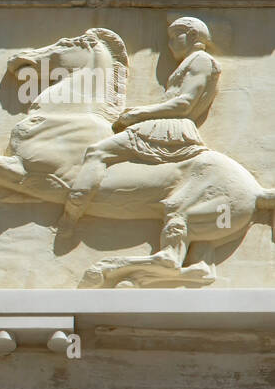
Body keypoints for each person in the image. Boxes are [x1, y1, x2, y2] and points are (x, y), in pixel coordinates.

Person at [57, 16, 221, 238]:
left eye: (175, 37)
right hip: (164, 123)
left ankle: (69, 218)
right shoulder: (191, 62)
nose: (170, 44)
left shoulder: (200, 60)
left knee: (97, 152)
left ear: (192, 36)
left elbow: (184, 104)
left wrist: (139, 113)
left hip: (171, 127)